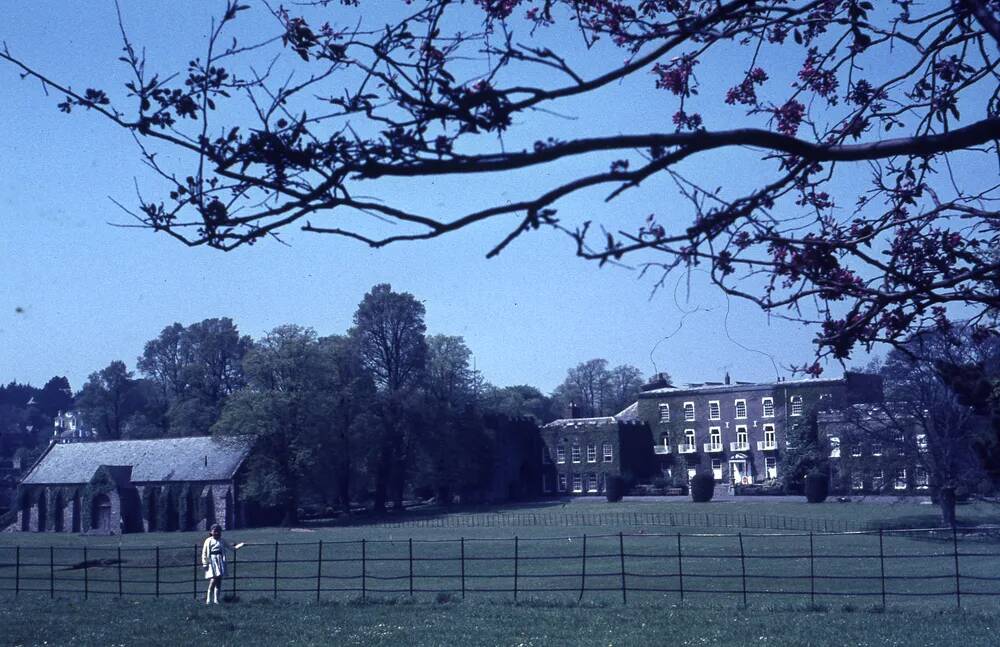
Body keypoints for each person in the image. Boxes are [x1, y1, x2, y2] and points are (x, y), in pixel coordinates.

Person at [201, 523, 245, 604]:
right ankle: (208, 599)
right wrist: (205, 563)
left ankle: (216, 599)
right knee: (213, 579)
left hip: (220, 561)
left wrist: (240, 545)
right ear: (211, 532)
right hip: (212, 561)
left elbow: (231, 548)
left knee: (219, 580)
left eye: (218, 531)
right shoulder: (208, 541)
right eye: (215, 531)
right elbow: (204, 552)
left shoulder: (222, 540)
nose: (217, 533)